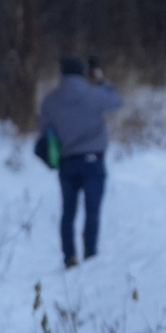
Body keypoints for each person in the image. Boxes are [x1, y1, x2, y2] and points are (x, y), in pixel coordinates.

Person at [35, 54, 123, 268]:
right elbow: (117, 101)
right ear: (84, 72)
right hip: (93, 161)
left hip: (67, 163)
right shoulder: (95, 95)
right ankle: (90, 252)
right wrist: (101, 80)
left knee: (68, 211)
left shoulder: (50, 100)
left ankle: (69, 256)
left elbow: (45, 131)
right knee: (92, 211)